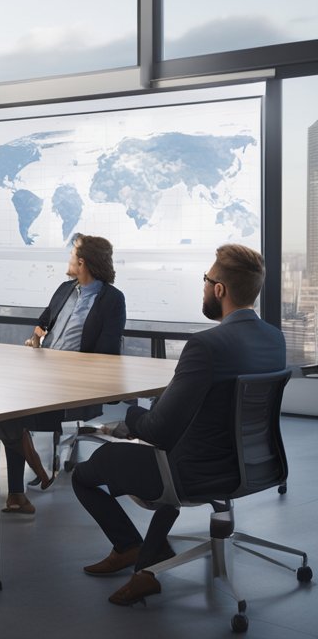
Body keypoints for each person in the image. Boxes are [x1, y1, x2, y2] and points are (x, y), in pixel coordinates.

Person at [73, 243, 284, 606]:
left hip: (194, 475)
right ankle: (147, 563)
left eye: (206, 279)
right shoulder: (274, 338)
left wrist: (130, 416)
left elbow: (157, 431)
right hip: (255, 466)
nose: (203, 286)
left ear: (219, 289)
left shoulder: (205, 345)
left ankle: (129, 547)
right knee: (172, 450)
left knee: (86, 472)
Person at [0, 234, 126, 515]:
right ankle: (33, 473)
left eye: (71, 254)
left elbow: (107, 354)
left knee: (7, 416)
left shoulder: (111, 299)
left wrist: (64, 364)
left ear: (82, 261)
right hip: (44, 371)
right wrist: (36, 338)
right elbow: (43, 322)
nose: (68, 259)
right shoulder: (65, 288)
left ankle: (24, 486)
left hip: (77, 383)